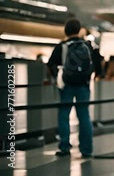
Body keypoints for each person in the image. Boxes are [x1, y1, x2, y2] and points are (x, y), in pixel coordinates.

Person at [46, 18, 93, 158]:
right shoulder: (87, 46)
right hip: (83, 85)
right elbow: (95, 65)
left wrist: (57, 77)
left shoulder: (62, 46)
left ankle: (65, 147)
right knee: (84, 116)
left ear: (66, 30)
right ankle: (86, 149)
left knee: (64, 115)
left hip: (66, 85)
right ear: (79, 30)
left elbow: (50, 64)